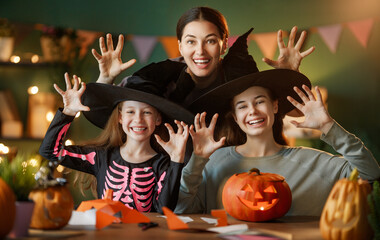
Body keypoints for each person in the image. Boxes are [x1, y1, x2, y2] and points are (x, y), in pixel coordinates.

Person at [175, 69, 380, 216]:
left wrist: (328, 126)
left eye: (260, 101)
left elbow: (369, 172)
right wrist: (197, 161)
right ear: (236, 118)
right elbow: (183, 211)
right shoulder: (213, 161)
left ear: (274, 106)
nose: (253, 111)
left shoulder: (311, 161)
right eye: (242, 106)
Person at [91, 6, 315, 113]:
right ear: (180, 45)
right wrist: (105, 78)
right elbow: (107, 114)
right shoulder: (158, 80)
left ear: (224, 44)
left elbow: (293, 113)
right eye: (190, 41)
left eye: (210, 41)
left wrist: (288, 79)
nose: (200, 51)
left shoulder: (241, 77)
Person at [39, 73, 194, 213]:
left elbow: (164, 210)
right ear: (120, 117)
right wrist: (68, 113)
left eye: (147, 112)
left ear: (158, 119)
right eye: (130, 112)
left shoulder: (162, 164)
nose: (138, 120)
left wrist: (176, 161)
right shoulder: (100, 156)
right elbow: (50, 151)